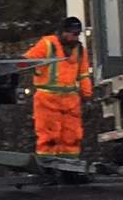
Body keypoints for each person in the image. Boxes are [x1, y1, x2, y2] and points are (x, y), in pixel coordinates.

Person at [24, 17, 92, 161]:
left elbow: (83, 74)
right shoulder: (47, 44)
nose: (76, 37)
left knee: (72, 136)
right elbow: (28, 61)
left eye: (78, 34)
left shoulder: (79, 50)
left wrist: (87, 95)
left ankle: (70, 165)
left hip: (70, 99)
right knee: (48, 135)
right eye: (73, 33)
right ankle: (47, 165)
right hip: (47, 98)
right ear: (63, 32)